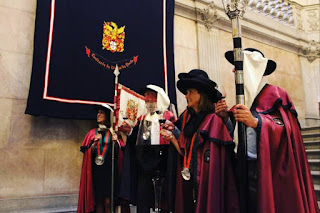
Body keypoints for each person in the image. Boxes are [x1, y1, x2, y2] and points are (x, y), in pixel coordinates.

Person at [224, 48, 319, 213]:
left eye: (238, 66)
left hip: (264, 168)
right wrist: (226, 117)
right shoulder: (244, 99)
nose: (233, 70)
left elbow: (285, 128)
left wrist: (256, 122)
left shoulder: (275, 94)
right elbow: (237, 134)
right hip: (241, 165)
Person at [160, 69, 239, 213]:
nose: (186, 96)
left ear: (201, 94)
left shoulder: (213, 119)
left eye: (190, 92)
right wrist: (172, 137)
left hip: (207, 182)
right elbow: (185, 151)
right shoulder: (190, 120)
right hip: (190, 180)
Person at [119, 85, 177, 213]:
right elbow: (135, 139)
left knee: (163, 201)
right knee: (143, 200)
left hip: (163, 164)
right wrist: (129, 131)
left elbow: (176, 138)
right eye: (145, 96)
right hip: (144, 165)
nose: (146, 99)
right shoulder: (142, 118)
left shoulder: (169, 116)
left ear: (158, 97)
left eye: (149, 95)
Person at [77, 104, 123, 213]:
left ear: (108, 115)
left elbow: (119, 154)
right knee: (98, 201)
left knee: (108, 201)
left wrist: (115, 142)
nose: (98, 114)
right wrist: (93, 144)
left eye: (101, 112)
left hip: (110, 171)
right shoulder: (92, 133)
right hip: (97, 171)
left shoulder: (113, 133)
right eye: (98, 112)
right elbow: (86, 151)